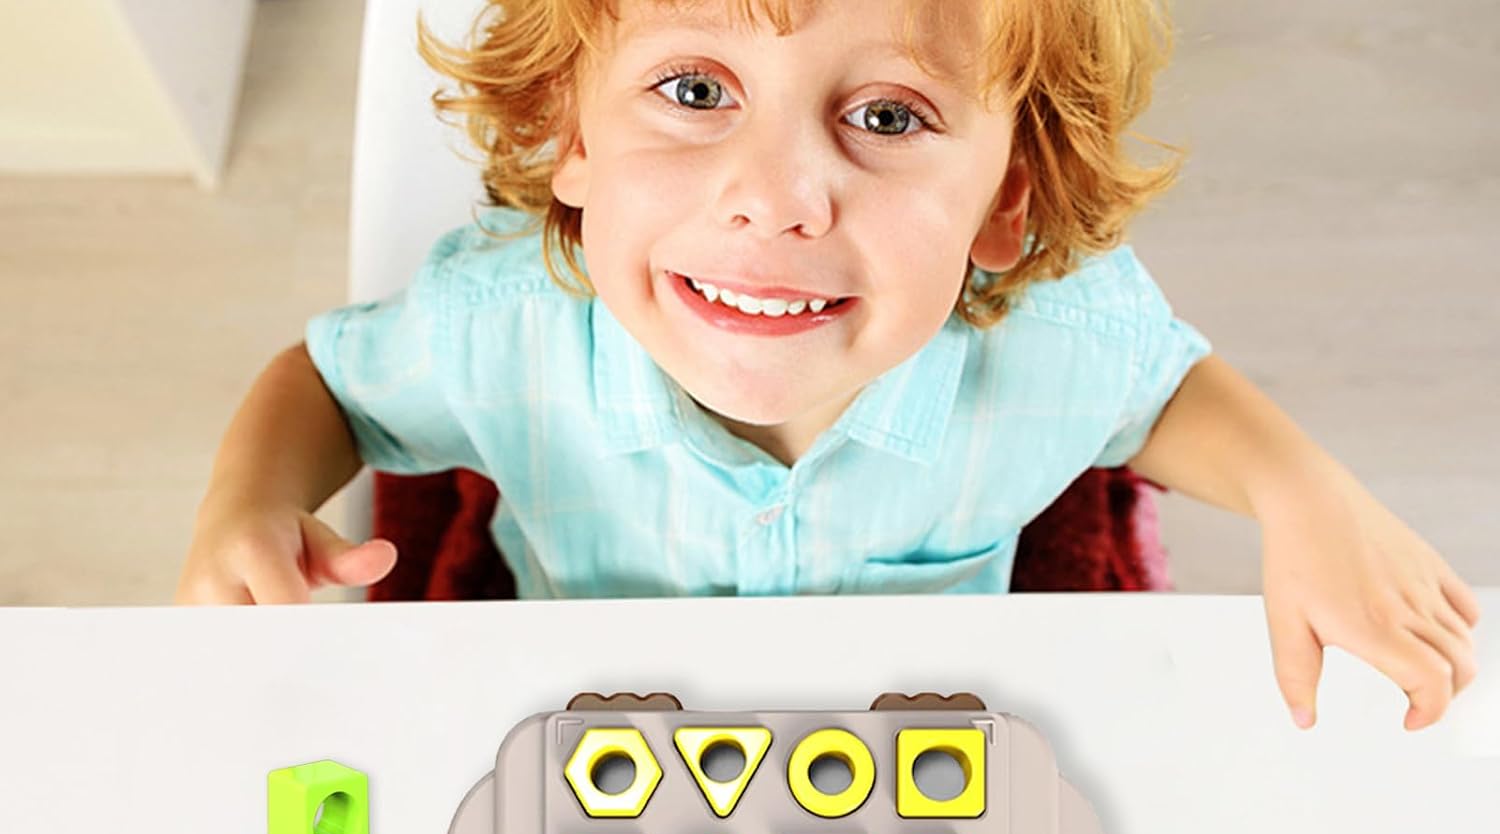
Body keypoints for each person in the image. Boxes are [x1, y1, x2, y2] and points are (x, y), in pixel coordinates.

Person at [176, 0, 1480, 731]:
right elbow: (328, 385)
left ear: (1006, 201)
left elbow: (1160, 391)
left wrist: (1306, 494)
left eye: (888, 115)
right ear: (568, 136)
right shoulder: (500, 326)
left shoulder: (1054, 336)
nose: (777, 198)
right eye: (696, 92)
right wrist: (248, 503)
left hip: (922, 742)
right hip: (601, 724)